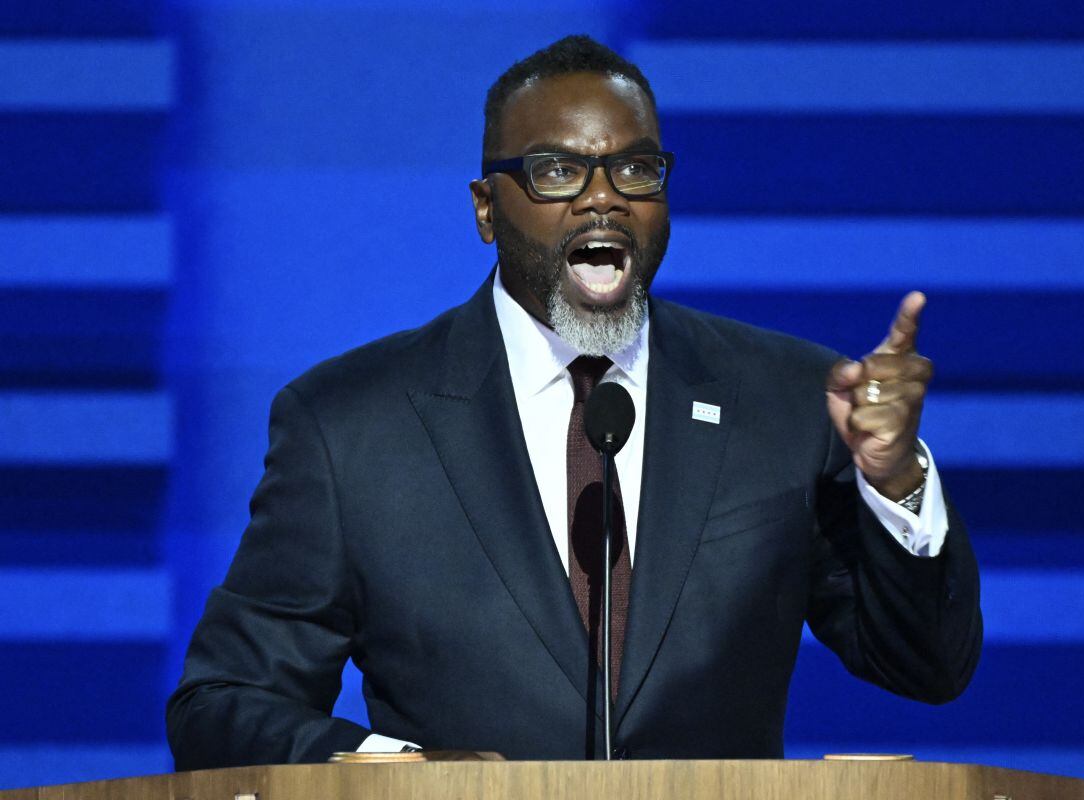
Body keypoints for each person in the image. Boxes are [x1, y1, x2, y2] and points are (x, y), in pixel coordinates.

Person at [167, 35, 981, 768]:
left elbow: (927, 666)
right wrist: (405, 773)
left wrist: (895, 477)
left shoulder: (787, 399)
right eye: (557, 170)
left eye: (636, 169)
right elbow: (223, 705)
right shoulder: (351, 425)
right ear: (487, 208)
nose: (604, 199)